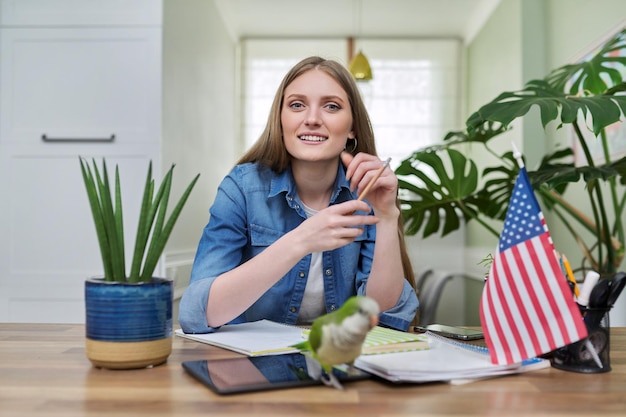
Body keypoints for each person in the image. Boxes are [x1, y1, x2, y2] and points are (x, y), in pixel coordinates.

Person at [179, 56, 418, 334]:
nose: (312, 119)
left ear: (352, 126)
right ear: (280, 120)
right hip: (250, 367)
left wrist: (387, 217)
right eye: (296, 105)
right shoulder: (242, 188)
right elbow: (197, 313)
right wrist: (301, 240)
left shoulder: (368, 190)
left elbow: (384, 316)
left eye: (331, 106)